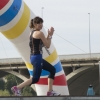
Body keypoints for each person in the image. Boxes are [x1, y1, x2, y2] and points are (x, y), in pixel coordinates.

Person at [11, 16, 60, 96]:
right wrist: (50, 35)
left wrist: (48, 35)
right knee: (35, 79)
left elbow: (42, 44)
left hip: (35, 57)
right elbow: (47, 45)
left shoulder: (32, 33)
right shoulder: (39, 33)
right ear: (35, 24)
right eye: (39, 23)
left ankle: (50, 91)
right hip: (37, 58)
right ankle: (17, 88)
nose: (41, 25)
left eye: (41, 23)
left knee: (52, 70)